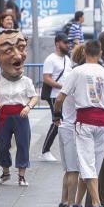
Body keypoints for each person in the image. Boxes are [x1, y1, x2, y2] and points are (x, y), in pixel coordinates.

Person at [55, 39, 104, 207]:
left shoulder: (77, 72)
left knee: (87, 164)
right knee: (93, 164)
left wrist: (57, 115)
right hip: (103, 122)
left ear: (85, 52)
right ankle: (79, 203)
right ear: (100, 53)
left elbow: (60, 98)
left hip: (85, 120)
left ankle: (96, 204)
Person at [0, 29, 38, 188]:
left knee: (23, 144)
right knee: (2, 145)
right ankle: (5, 172)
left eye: (21, 48)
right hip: (3, 116)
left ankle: (21, 176)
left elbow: (34, 96)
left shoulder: (26, 81)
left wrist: (28, 107)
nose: (17, 56)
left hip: (20, 115)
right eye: (8, 50)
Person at [55, 44, 85, 207]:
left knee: (68, 169)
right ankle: (72, 203)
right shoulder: (79, 76)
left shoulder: (70, 75)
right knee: (74, 169)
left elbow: (59, 100)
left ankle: (64, 201)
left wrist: (56, 115)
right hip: (72, 126)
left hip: (64, 125)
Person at [40, 33, 71, 161]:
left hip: (64, 95)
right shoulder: (50, 59)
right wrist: (60, 86)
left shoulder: (67, 59)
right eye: (65, 43)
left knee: (62, 122)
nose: (68, 45)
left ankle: (64, 150)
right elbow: (46, 78)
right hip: (54, 95)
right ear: (58, 44)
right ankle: (45, 150)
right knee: (57, 122)